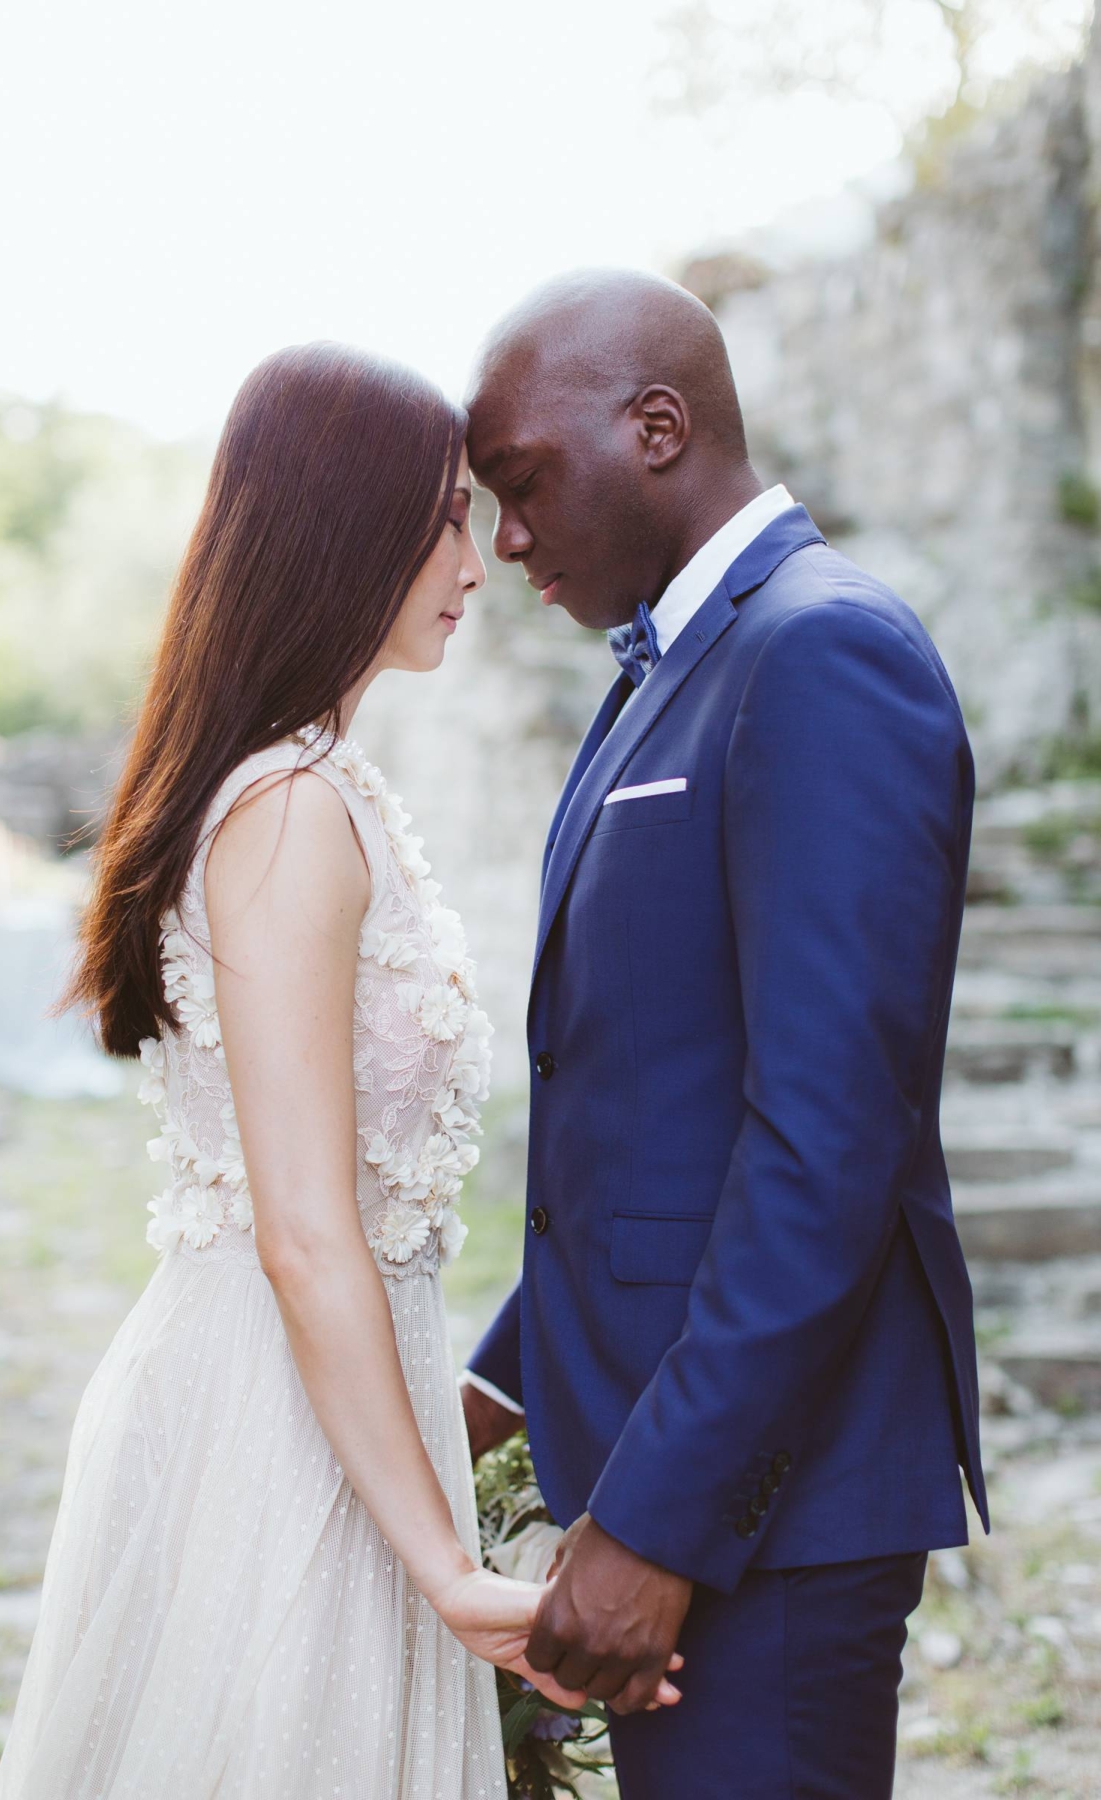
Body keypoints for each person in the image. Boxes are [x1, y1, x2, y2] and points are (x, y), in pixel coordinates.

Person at [0, 342, 677, 1800]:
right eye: (442, 514)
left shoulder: (316, 784)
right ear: (336, 525)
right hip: (278, 1422)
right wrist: (442, 1562)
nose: (481, 559)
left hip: (348, 1391)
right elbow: (306, 1232)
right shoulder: (292, 812)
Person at [462, 269, 988, 1800]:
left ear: (657, 427)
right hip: (661, 1449)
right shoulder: (657, 678)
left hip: (770, 1511)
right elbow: (650, 1118)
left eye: (521, 483)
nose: (503, 538)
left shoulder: (825, 656)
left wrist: (653, 1525)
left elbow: (828, 1138)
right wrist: (497, 1389)